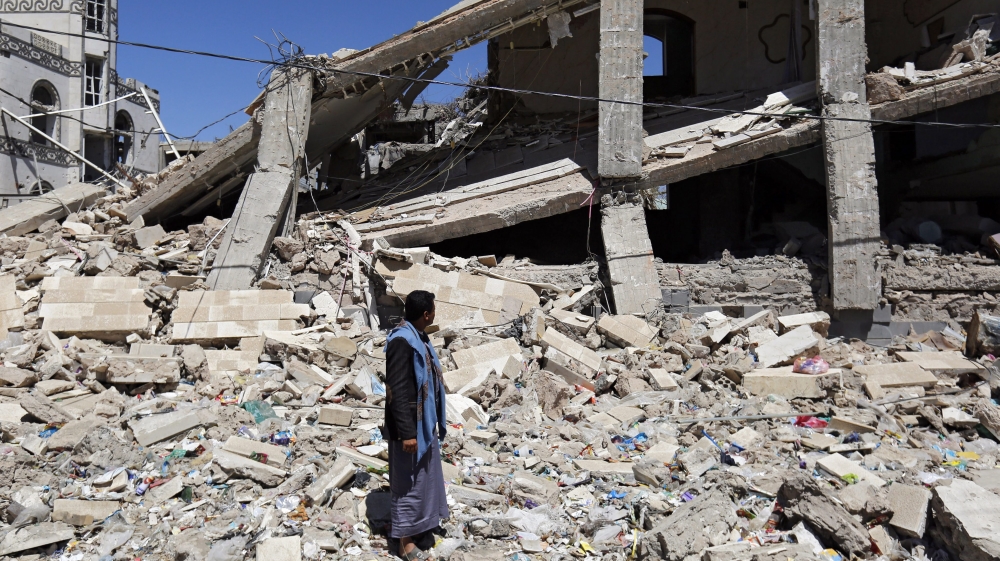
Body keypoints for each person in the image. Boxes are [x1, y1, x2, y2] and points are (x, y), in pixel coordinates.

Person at [384, 290, 449, 560]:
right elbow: (396, 390)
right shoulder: (402, 341)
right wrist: (407, 433)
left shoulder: (419, 337)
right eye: (433, 309)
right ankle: (404, 542)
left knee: (423, 480)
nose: (434, 313)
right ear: (426, 314)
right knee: (406, 485)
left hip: (424, 424)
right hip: (410, 429)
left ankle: (420, 527)